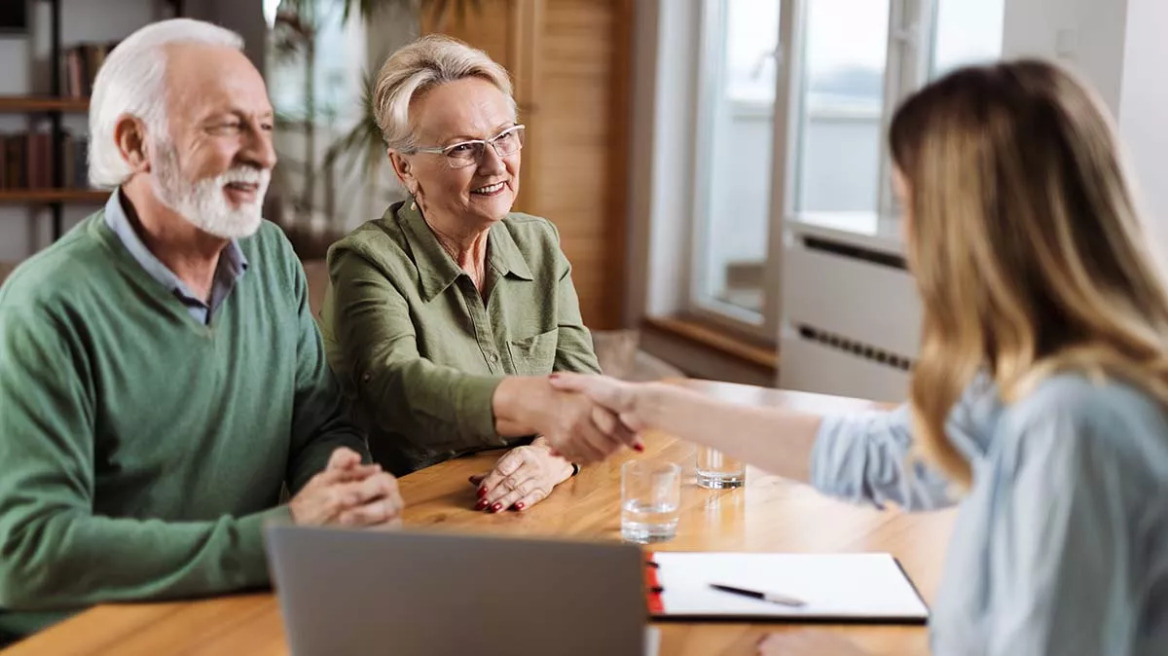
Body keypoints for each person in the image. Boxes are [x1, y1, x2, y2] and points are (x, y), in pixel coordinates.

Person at [550, 60, 1168, 656]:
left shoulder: (1076, 420)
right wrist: (647, 401)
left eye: (908, 207)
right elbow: (882, 455)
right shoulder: (1034, 376)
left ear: (971, 228)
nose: (907, 237)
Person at [0, 19, 403, 642]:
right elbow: (30, 551)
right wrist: (276, 538)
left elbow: (319, 425)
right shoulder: (44, 306)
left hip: (238, 611)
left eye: (266, 126)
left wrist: (341, 491)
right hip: (90, 635)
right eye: (227, 126)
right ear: (135, 144)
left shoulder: (271, 256)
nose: (265, 155)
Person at [321, 35, 636, 513]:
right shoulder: (366, 260)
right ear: (404, 167)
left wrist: (550, 459)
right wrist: (531, 403)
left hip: (535, 507)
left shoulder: (540, 244)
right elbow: (398, 391)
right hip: (416, 517)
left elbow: (584, 389)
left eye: (504, 136)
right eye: (463, 148)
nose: (496, 164)